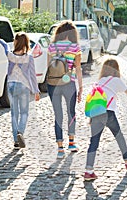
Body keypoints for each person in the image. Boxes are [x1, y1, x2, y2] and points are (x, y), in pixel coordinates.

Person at [84, 58, 127, 181]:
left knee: (94, 142)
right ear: (116, 69)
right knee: (119, 136)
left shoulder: (100, 81)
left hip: (96, 113)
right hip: (108, 114)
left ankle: (88, 170)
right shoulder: (116, 81)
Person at [0, 32, 40, 150]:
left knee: (14, 114)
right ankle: (20, 132)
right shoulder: (28, 58)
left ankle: (16, 141)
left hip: (10, 85)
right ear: (26, 43)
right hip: (23, 86)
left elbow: (5, 47)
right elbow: (32, 75)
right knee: (24, 113)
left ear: (16, 42)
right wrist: (36, 91)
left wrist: (0, 40)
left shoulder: (10, 55)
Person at [47, 20, 83, 159]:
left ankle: (60, 148)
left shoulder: (51, 46)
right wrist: (80, 87)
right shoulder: (75, 47)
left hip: (53, 83)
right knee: (71, 113)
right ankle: (72, 143)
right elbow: (78, 69)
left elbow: (48, 66)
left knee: (58, 115)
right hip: (69, 83)